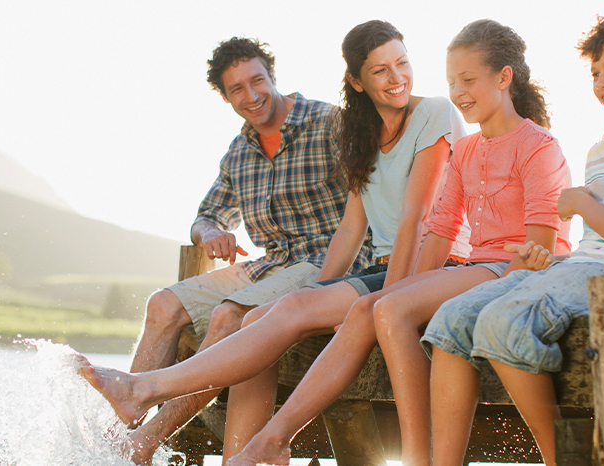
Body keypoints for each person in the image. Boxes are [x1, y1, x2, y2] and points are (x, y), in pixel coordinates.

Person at [79, 20, 470, 463]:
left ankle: (149, 401)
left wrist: (387, 299)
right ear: (357, 82)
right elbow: (350, 225)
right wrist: (315, 291)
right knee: (241, 315)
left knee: (238, 315)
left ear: (272, 77)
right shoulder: (355, 134)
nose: (396, 77)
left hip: (428, 266)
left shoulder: (386, 117)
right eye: (381, 70)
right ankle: (205, 451)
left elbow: (415, 220)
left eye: (401, 63)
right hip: (328, 267)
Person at [225, 19, 573, 466]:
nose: (459, 91)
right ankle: (278, 439)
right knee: (374, 306)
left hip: (512, 273)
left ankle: (415, 457)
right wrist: (408, 292)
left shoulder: (538, 145)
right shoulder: (466, 151)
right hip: (477, 271)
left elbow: (542, 247)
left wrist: (402, 298)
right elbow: (442, 229)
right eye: (452, 81)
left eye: (468, 79)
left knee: (388, 307)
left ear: (504, 77)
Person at [422, 7, 604, 466]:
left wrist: (582, 204)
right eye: (595, 71)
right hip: (581, 268)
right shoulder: (602, 147)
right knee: (449, 322)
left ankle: (560, 458)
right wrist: (542, 257)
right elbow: (594, 240)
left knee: (502, 322)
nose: (601, 81)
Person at [124, 37, 374, 463]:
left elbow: (372, 201)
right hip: (269, 265)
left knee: (229, 315)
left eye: (257, 80)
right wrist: (211, 234)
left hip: (329, 263)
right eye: (237, 88)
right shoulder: (239, 152)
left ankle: (143, 443)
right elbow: (206, 217)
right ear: (225, 96)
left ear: (272, 77)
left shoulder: (330, 122)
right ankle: (119, 431)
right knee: (162, 304)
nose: (252, 95)